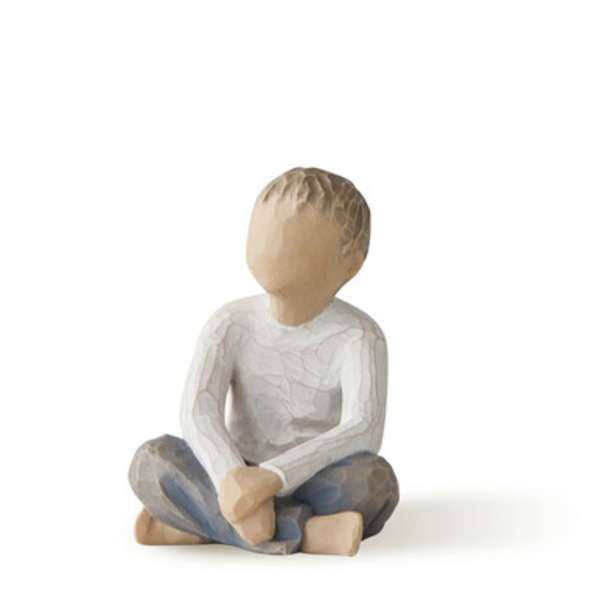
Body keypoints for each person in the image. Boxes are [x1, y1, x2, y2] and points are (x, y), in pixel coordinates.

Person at [129, 167, 399, 556]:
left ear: (350, 264)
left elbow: (362, 430)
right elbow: (198, 411)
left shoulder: (359, 336)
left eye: (296, 239)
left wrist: (271, 477)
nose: (273, 246)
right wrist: (230, 477)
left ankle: (200, 524)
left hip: (309, 478)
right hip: (231, 470)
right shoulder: (230, 322)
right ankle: (308, 534)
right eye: (263, 230)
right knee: (151, 461)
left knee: (373, 482)